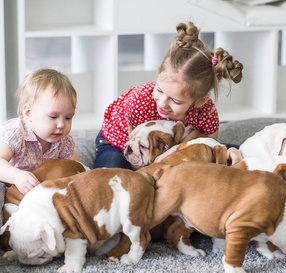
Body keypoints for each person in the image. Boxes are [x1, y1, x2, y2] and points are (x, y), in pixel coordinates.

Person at [94, 21, 244, 169]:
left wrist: (228, 152)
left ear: (200, 101)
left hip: (172, 147)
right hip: (121, 141)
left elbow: (208, 149)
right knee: (108, 175)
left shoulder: (206, 112)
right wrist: (164, 158)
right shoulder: (140, 101)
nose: (162, 103)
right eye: (159, 90)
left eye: (175, 100)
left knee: (241, 151)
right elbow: (136, 159)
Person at [0, 68, 80, 194]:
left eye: (68, 117)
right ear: (28, 113)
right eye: (53, 117)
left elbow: (76, 166)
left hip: (25, 178)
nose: (61, 124)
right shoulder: (15, 133)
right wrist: (16, 176)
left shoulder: (62, 140)